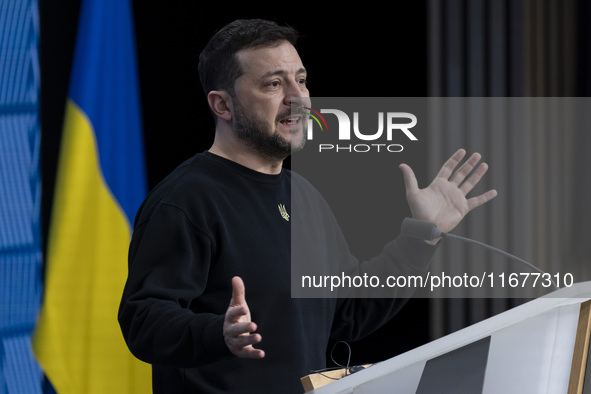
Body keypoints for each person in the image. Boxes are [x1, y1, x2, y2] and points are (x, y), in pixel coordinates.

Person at [118, 19, 497, 393]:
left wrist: (420, 236)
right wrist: (217, 332)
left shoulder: (304, 196)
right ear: (223, 105)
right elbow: (143, 319)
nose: (298, 97)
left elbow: (346, 311)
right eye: (273, 83)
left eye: (300, 80)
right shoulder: (186, 200)